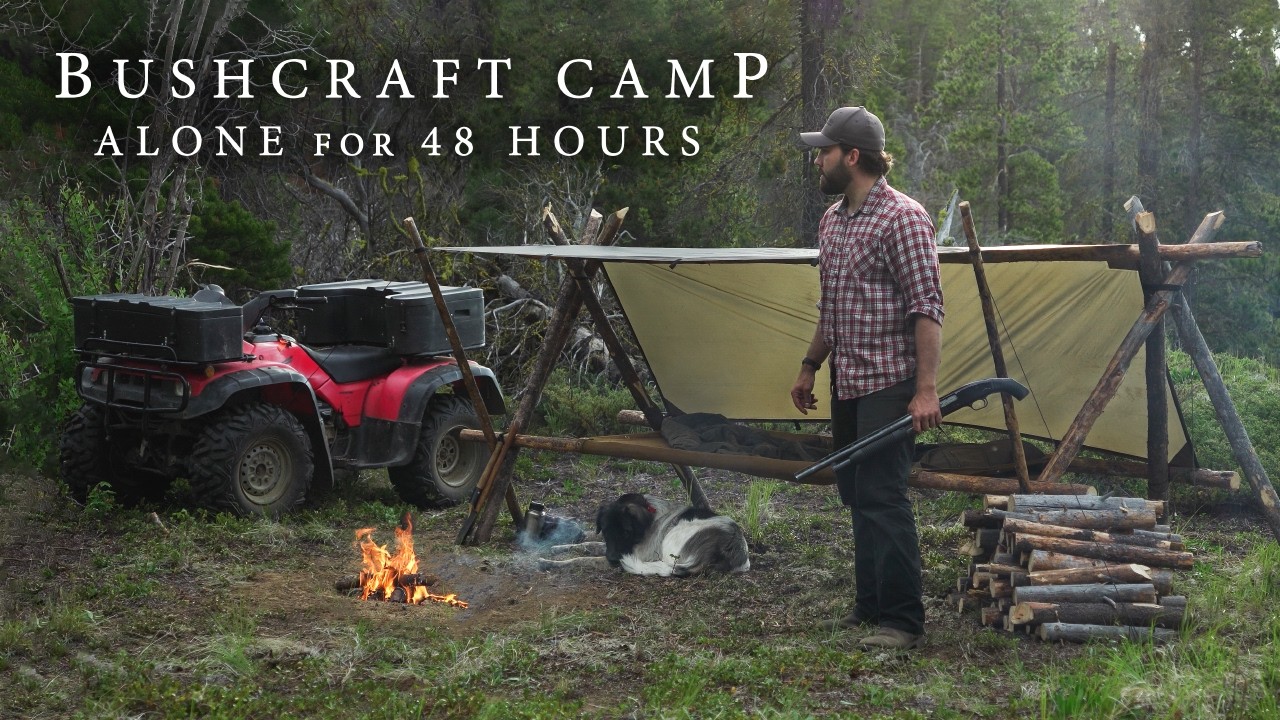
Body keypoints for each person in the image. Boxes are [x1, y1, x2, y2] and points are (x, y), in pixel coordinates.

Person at [790, 106, 944, 650]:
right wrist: (811, 364)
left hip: (890, 383)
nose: (819, 160)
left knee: (883, 496)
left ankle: (902, 621)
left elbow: (927, 307)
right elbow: (833, 307)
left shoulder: (904, 218)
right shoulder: (832, 221)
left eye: (826, 151)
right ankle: (869, 607)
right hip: (848, 381)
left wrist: (925, 390)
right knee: (857, 495)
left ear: (852, 156)